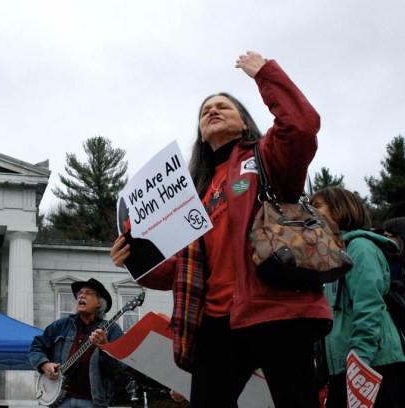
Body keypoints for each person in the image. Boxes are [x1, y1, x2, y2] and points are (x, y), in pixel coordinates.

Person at [111, 51, 332, 407]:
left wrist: (266, 75)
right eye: (204, 111)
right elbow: (181, 270)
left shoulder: (267, 157)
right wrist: (134, 262)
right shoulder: (191, 194)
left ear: (244, 123)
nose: (212, 111)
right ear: (200, 132)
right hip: (217, 319)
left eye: (223, 107)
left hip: (277, 309)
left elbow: (302, 126)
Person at [310, 187, 405, 408]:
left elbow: (369, 306)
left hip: (372, 365)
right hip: (345, 368)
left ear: (340, 209)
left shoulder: (360, 248)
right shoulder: (333, 255)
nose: (309, 212)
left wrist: (360, 362)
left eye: (316, 206)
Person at [29, 278, 124, 408]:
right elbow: (36, 347)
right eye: (80, 293)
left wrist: (104, 346)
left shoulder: (112, 330)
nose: (81, 295)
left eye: (88, 293)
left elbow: (118, 367)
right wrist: (45, 365)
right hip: (60, 401)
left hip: (94, 402)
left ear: (100, 304)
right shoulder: (61, 325)